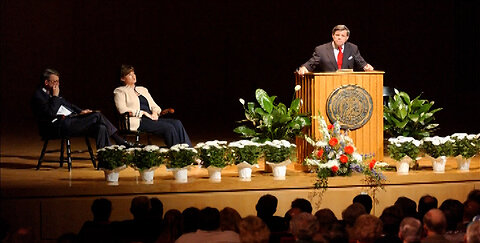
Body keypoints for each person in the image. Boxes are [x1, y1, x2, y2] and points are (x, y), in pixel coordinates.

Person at [31, 68, 131, 149]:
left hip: (68, 122)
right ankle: (119, 141)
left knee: (101, 127)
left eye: (58, 81)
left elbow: (69, 105)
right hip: (55, 127)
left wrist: (81, 111)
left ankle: (105, 157)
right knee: (97, 115)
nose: (57, 84)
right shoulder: (38, 96)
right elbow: (51, 113)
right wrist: (55, 96)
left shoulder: (53, 93)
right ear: (46, 82)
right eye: (55, 81)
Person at [113, 65, 192, 147]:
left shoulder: (142, 89)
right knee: (169, 128)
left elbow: (154, 106)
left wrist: (154, 113)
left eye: (134, 73)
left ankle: (189, 151)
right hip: (138, 121)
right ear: (122, 78)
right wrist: (144, 113)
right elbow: (122, 109)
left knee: (177, 123)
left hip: (150, 118)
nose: (133, 76)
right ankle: (177, 153)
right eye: (129, 75)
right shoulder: (119, 91)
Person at [297, 25, 374, 74]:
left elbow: (361, 62)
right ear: (333, 36)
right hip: (328, 84)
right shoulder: (321, 50)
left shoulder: (353, 48)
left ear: (347, 38)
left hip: (347, 85)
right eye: (337, 35)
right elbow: (312, 63)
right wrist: (304, 68)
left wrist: (367, 66)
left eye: (343, 35)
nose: (339, 37)